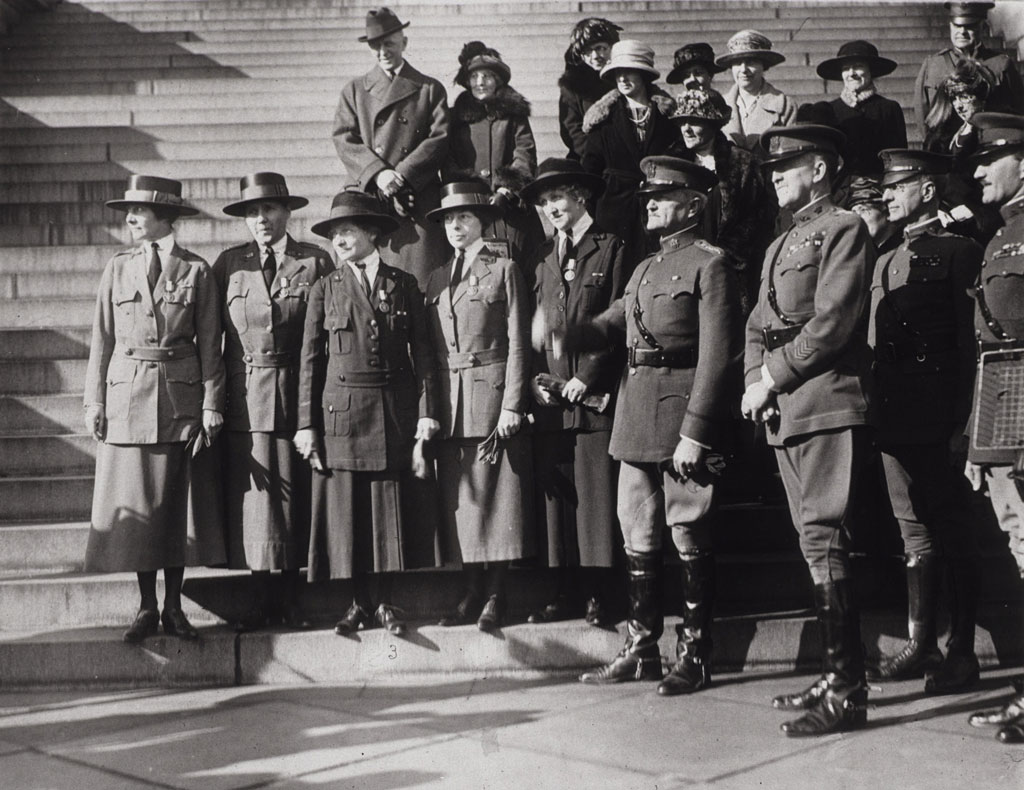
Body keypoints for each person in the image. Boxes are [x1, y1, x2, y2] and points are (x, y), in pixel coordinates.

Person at [559, 156, 742, 696]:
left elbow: (718, 355)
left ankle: (696, 653)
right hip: (636, 413)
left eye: (662, 196)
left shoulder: (711, 265)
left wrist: (697, 430)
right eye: (648, 198)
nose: (651, 204)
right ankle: (642, 648)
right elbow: (609, 327)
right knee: (635, 527)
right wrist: (558, 333)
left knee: (688, 529)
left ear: (693, 203)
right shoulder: (643, 268)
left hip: (682, 413)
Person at [741, 124, 875, 736]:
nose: (774, 175)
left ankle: (848, 693)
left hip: (823, 400)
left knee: (823, 535)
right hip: (788, 404)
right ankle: (835, 671)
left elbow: (834, 323)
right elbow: (755, 322)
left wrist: (770, 376)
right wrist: (755, 379)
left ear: (819, 168)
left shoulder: (842, 228)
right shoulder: (781, 242)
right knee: (812, 539)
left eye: (787, 165)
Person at [83, 174, 226, 643]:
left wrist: (211, 403)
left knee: (173, 510)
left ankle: (173, 607)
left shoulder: (196, 270)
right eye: (130, 212)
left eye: (139, 212)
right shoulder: (117, 267)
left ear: (165, 218)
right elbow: (101, 339)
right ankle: (146, 606)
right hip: (127, 399)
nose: (130, 219)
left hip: (178, 400)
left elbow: (211, 343)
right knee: (141, 509)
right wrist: (95, 399)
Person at [294, 190, 438, 637]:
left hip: (391, 410)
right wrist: (305, 425)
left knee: (386, 510)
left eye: (348, 231)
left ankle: (388, 603)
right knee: (350, 513)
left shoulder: (403, 284)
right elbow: (310, 361)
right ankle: (357, 604)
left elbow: (425, 355)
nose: (339, 239)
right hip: (342, 414)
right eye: (335, 233)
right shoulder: (325, 288)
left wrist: (426, 413)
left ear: (372, 234)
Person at [867, 150, 983, 695]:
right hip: (895, 412)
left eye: (898, 186)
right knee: (910, 527)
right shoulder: (887, 257)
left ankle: (961, 651)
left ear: (929, 190)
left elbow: (970, 345)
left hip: (941, 415)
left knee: (954, 529)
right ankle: (921, 645)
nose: (887, 196)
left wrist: (965, 422)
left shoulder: (961, 251)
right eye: (885, 188)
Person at [213, 172, 334, 631]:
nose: (260, 219)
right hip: (246, 396)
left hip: (297, 392)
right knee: (258, 507)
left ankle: (291, 599)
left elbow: (321, 336)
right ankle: (262, 597)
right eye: (251, 212)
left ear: (287, 213)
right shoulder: (228, 265)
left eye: (269, 210)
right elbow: (215, 339)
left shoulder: (314, 261)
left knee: (294, 499)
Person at [423, 181, 533, 632]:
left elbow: (519, 341)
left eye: (464, 218)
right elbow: (430, 352)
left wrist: (513, 403)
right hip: (452, 404)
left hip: (491, 397)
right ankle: (471, 589)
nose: (455, 227)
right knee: (463, 503)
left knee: (499, 500)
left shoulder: (503, 268)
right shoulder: (437, 277)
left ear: (482, 222)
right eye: (449, 220)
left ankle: (496, 594)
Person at [521, 158, 627, 627]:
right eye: (544, 202)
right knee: (558, 509)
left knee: (597, 501)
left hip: (594, 398)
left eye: (558, 197)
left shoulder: (612, 248)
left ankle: (601, 595)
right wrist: (533, 384)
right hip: (552, 402)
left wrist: (590, 374)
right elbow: (534, 332)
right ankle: (564, 591)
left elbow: (621, 321)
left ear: (580, 197)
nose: (551, 208)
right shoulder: (542, 257)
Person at [963, 112, 1024, 744]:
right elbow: (990, 347)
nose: (977, 169)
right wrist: (982, 438)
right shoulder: (997, 237)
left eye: (991, 159)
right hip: (1002, 411)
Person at [331, 6, 449, 287]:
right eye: (376, 46)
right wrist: (379, 173)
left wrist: (403, 174)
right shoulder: (355, 90)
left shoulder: (429, 88)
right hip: (371, 195)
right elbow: (344, 136)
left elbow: (440, 137)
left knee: (419, 282)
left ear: (404, 43)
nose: (383, 51)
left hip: (414, 197)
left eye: (389, 44)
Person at [665, 87, 776, 313]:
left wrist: (726, 255)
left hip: (732, 271)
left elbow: (757, 219)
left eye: (694, 121)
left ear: (713, 124)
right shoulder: (672, 164)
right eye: (681, 121)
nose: (685, 128)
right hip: (682, 269)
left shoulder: (743, 163)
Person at [582, 39, 680, 268]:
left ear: (644, 75)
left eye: (630, 72)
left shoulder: (668, 117)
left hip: (658, 207)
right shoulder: (602, 119)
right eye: (618, 73)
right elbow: (590, 170)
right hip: (614, 211)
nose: (623, 79)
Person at [444, 41, 544, 263]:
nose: (480, 82)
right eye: (474, 77)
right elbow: (449, 159)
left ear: (497, 81)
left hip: (510, 208)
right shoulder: (456, 119)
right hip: (471, 209)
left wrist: (506, 190)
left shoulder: (514, 116)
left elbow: (524, 152)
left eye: (487, 76)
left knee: (519, 267)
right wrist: (468, 193)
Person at [915, 2, 1024, 142]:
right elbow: (922, 115)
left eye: (969, 26)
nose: (962, 32)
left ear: (983, 27)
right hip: (945, 151)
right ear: (950, 25)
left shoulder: (1001, 65)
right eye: (957, 25)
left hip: (987, 149)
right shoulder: (933, 64)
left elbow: (1017, 110)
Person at [816, 41, 907, 181]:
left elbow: (898, 160)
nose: (851, 74)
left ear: (871, 70)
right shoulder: (830, 110)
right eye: (846, 68)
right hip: (840, 190)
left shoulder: (889, 108)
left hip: (879, 188)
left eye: (858, 66)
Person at [716, 30, 795, 154]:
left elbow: (790, 152)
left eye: (751, 62)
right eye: (737, 63)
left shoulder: (784, 105)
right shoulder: (718, 105)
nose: (743, 69)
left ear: (764, 65)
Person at [557, 17, 622, 162]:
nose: (595, 56)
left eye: (600, 48)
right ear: (580, 55)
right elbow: (572, 131)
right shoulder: (572, 86)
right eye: (588, 51)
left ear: (612, 47)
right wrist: (599, 155)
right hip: (590, 159)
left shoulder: (625, 77)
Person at [847, 176, 901, 255]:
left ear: (887, 211)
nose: (857, 219)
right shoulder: (867, 254)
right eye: (854, 212)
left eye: (863, 210)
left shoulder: (905, 249)